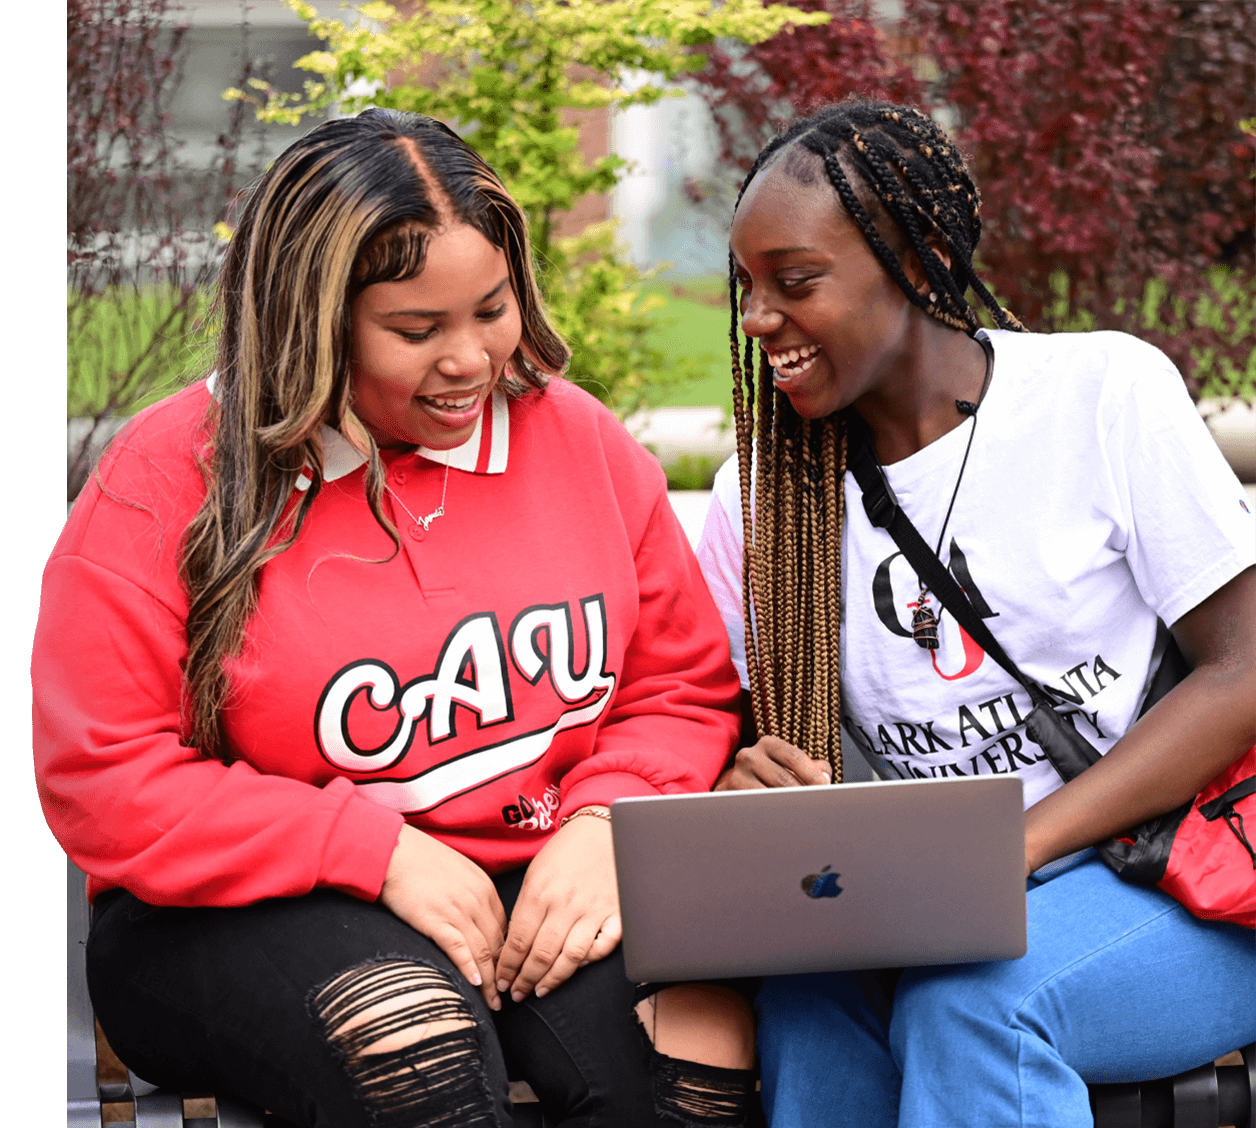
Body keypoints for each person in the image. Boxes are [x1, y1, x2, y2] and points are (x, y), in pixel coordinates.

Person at [38, 109, 760, 1128]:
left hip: (547, 876)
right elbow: (106, 775)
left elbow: (676, 687)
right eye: (416, 331)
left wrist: (607, 818)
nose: (469, 359)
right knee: (414, 1050)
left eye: (492, 310)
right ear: (310, 318)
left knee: (696, 1054)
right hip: (248, 911)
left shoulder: (579, 444)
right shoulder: (166, 482)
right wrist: (372, 851)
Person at [695, 99, 1256, 1127]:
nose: (756, 321)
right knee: (808, 1012)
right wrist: (748, 773)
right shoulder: (761, 498)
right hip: (911, 901)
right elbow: (729, 734)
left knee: (975, 1007)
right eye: (746, 288)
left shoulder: (1098, 394)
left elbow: (1243, 670)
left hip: (1168, 877)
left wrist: (1021, 848)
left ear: (914, 262)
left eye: (795, 282)